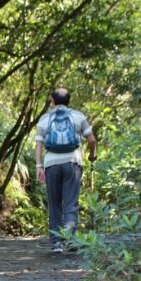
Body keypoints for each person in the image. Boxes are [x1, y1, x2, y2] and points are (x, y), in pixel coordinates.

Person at [34, 87, 96, 253]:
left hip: (51, 164)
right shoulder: (78, 116)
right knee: (70, 203)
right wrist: (92, 155)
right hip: (72, 162)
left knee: (54, 203)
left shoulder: (45, 119)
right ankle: (69, 239)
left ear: (52, 101)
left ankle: (56, 243)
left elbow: (38, 144)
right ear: (69, 101)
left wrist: (39, 166)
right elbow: (91, 139)